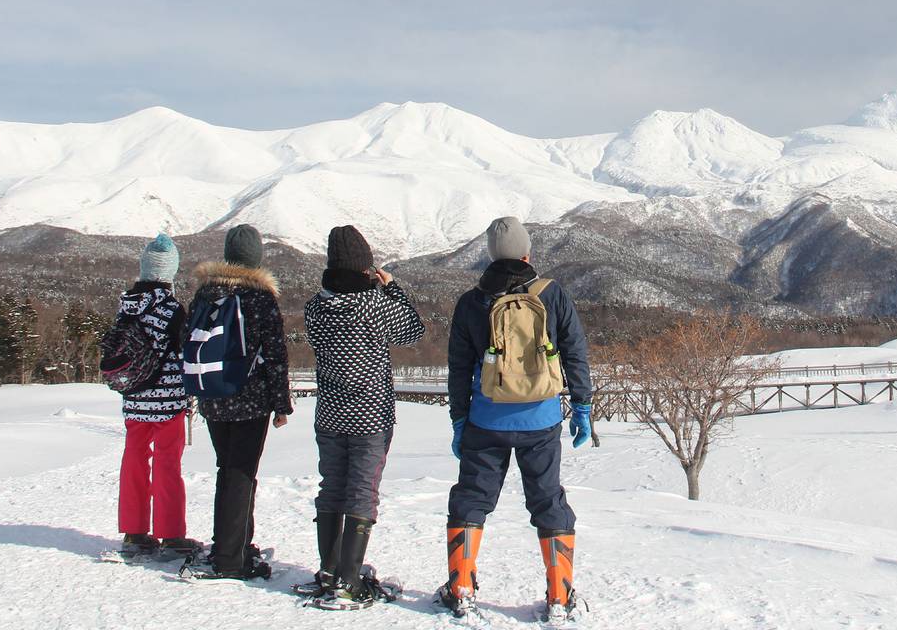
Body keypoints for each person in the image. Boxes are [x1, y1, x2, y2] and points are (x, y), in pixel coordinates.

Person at [436, 217, 593, 622]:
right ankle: (560, 594)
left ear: (490, 256)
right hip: (540, 421)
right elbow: (574, 352)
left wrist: (459, 419)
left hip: (485, 421)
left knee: (471, 499)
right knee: (548, 500)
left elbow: (458, 367)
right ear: (527, 253)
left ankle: (461, 587)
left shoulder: (472, 302)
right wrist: (582, 407)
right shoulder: (552, 294)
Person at [293, 225, 426, 610]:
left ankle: (330, 570)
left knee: (332, 486)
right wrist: (391, 287)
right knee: (361, 491)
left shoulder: (316, 306)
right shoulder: (373, 303)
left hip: (330, 413)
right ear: (365, 266)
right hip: (371, 415)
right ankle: (349, 581)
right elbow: (413, 330)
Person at [179, 224, 293, 581]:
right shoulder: (259, 297)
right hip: (251, 399)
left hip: (212, 395)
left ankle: (233, 543)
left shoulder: (205, 293)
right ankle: (231, 557)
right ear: (256, 259)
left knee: (226, 469)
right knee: (241, 474)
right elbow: (275, 354)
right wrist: (281, 403)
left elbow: (187, 340)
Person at [116, 233, 197, 559]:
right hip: (167, 401)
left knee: (134, 459)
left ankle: (134, 532)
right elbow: (185, 351)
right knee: (167, 463)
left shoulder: (127, 308)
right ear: (170, 272)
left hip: (134, 395)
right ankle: (170, 533)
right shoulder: (172, 309)